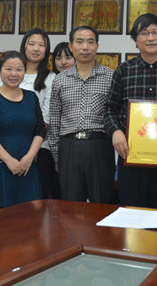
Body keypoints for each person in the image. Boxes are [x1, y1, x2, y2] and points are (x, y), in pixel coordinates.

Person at [105, 13, 157, 210]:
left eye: (155, 32)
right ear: (136, 40)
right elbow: (110, 108)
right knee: (133, 213)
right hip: (132, 156)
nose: (150, 38)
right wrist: (116, 131)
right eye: (144, 33)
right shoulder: (124, 70)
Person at [48, 26, 114, 203]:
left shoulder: (110, 76)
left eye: (90, 42)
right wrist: (58, 157)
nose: (85, 47)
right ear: (71, 46)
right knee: (70, 206)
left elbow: (116, 115)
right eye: (79, 42)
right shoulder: (60, 79)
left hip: (100, 146)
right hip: (69, 148)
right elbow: (55, 120)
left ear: (97, 46)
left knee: (101, 204)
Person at [0, 51, 45, 208]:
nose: (14, 74)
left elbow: (40, 130)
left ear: (24, 72)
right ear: (0, 72)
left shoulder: (31, 97)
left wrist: (29, 157)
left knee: (29, 216)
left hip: (26, 166)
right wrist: (8, 160)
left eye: (19, 69)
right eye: (8, 69)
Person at [0, 28, 58, 199]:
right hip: (6, 148)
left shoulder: (51, 78)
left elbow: (46, 117)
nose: (36, 48)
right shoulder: (7, 74)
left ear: (47, 50)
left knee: (35, 202)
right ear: (24, 46)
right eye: (31, 44)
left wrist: (31, 152)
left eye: (41, 45)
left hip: (39, 150)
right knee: (6, 201)